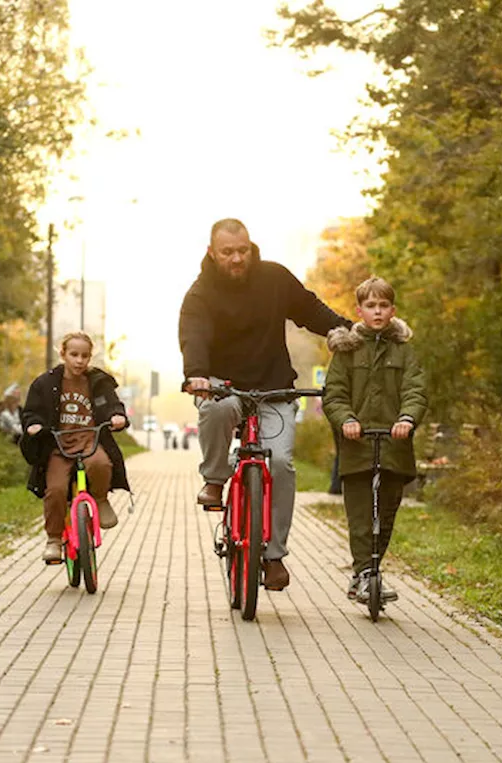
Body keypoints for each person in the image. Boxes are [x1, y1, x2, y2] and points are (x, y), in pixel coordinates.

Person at [179, 218, 350, 591]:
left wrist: (344, 329)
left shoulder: (274, 278)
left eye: (242, 250)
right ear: (212, 252)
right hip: (226, 388)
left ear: (250, 246)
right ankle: (214, 479)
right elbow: (194, 336)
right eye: (228, 252)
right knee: (216, 409)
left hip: (274, 389)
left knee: (283, 464)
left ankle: (273, 557)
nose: (237, 258)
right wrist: (197, 375)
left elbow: (309, 310)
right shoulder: (200, 294)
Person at [323, 276, 427, 603]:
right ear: (359, 311)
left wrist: (407, 419)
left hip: (394, 445)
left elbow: (416, 390)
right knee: (361, 517)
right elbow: (334, 395)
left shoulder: (405, 352)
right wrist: (347, 421)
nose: (377, 311)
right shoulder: (347, 351)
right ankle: (365, 574)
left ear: (393, 310)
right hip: (358, 447)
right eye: (371, 306)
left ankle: (372, 571)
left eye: (383, 305)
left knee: (387, 515)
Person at [20, 331, 132, 563]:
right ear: (63, 354)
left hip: (90, 440)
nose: (79, 361)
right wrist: (33, 425)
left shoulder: (98, 382)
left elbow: (112, 405)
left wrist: (117, 416)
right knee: (56, 490)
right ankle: (53, 539)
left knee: (101, 464)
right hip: (58, 444)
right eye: (74, 355)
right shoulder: (46, 383)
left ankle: (100, 499)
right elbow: (32, 411)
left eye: (85, 356)